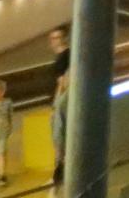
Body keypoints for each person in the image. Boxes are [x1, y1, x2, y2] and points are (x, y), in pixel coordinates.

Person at [47, 26, 69, 187]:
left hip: (61, 101)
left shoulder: (63, 57)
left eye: (57, 37)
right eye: (53, 38)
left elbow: (62, 83)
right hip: (61, 100)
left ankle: (59, 171)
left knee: (58, 135)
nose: (54, 41)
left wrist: (55, 105)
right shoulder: (63, 56)